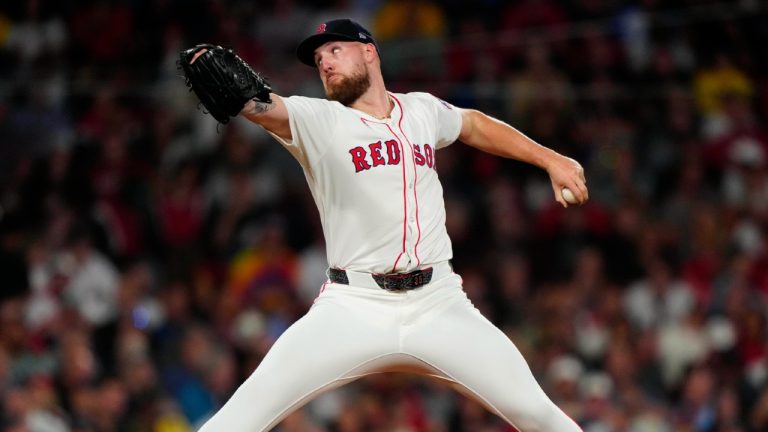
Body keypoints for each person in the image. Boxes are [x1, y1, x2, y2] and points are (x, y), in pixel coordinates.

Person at [194, 18, 587, 432]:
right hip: (353, 306)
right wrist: (244, 100)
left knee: (544, 418)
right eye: (318, 58)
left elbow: (471, 123)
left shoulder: (422, 109)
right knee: (235, 421)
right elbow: (267, 108)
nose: (324, 63)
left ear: (369, 51)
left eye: (334, 50)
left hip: (439, 303)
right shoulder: (319, 120)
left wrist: (550, 159)